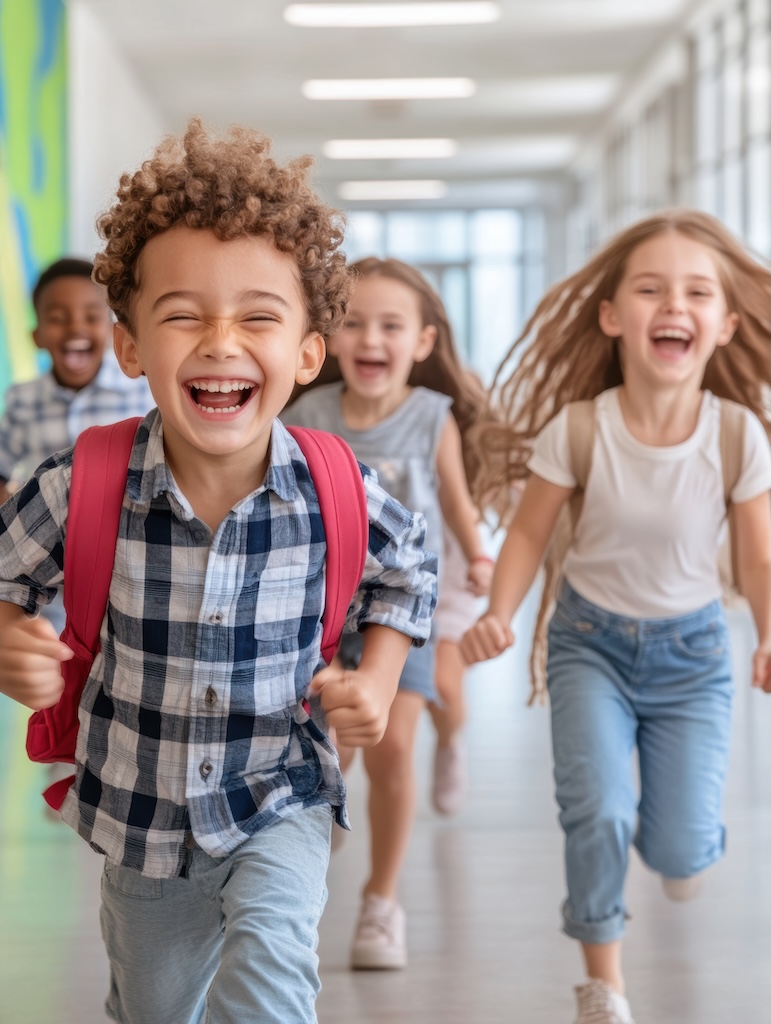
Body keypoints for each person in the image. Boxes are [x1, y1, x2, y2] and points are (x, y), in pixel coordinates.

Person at [0, 120, 437, 1024]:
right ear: (132, 347)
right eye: (184, 314)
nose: (221, 341)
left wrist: (380, 678)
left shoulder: (333, 487)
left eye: (258, 318)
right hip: (138, 817)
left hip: (281, 792)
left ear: (305, 355)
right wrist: (9, 642)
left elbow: (406, 569)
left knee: (271, 980)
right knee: (156, 1008)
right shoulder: (84, 485)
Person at [460, 210, 771, 1024]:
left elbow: (758, 559)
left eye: (695, 292)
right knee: (595, 810)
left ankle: (687, 846)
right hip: (589, 647)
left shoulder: (736, 436)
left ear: (724, 325)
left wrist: (768, 635)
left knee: (675, 846)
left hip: (695, 654)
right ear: (611, 317)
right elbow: (528, 533)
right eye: (649, 288)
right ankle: (603, 983)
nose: (673, 304)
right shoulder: (579, 428)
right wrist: (498, 613)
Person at [284, 257, 492, 969]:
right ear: (328, 338)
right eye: (353, 322)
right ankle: (304, 877)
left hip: (405, 615)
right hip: (324, 615)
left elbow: (458, 505)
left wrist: (482, 560)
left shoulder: (432, 417)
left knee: (396, 745)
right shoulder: (308, 415)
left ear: (422, 343)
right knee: (325, 758)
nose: (371, 337)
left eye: (390, 325)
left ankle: (381, 902)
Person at [0, 258, 153, 631]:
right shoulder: (23, 400)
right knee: (50, 674)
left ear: (115, 331)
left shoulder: (144, 393)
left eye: (91, 315)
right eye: (57, 317)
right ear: (36, 335)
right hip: (46, 593)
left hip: (126, 573)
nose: (75, 328)